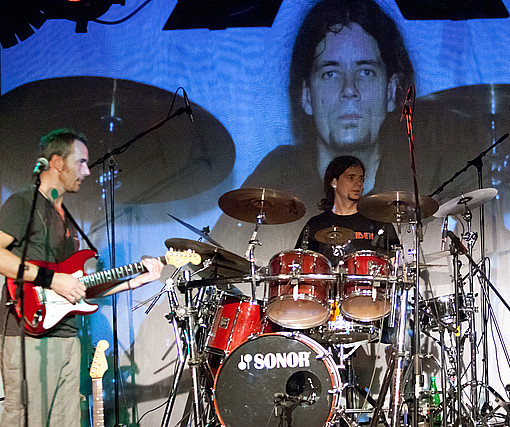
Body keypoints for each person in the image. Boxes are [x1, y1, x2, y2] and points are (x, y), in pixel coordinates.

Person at [212, 0, 414, 263]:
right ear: (306, 95)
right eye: (331, 73)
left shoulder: (410, 185)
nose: (349, 90)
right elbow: (219, 260)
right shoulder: (278, 172)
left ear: (390, 91)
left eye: (366, 72)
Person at [0, 129, 164, 426]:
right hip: (29, 330)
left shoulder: (67, 219)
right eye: (82, 162)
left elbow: (80, 288)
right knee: (28, 418)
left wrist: (134, 281)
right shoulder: (23, 204)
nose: (87, 171)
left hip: (66, 334)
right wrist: (51, 280)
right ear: (57, 162)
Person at [295, 155, 399, 264]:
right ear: (334, 182)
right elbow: (302, 263)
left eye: (361, 179)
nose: (358, 183)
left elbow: (394, 261)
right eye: (351, 178)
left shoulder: (379, 223)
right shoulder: (316, 224)